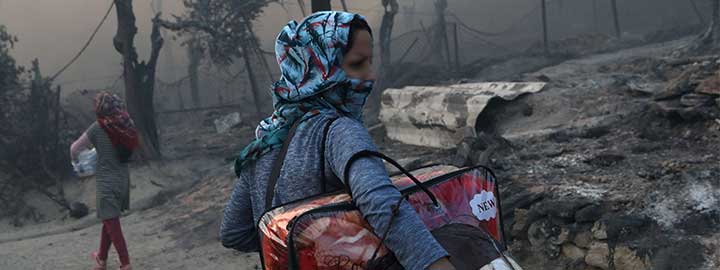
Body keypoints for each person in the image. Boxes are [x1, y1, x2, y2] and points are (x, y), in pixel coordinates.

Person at [219, 11, 455, 270]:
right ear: (322, 71)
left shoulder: (266, 142)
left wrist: (298, 247)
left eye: (369, 62)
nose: (370, 75)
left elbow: (234, 231)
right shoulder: (339, 130)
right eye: (357, 63)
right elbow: (381, 202)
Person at [70, 92, 137, 270]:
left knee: (112, 223)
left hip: (107, 180)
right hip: (123, 179)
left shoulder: (98, 127)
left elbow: (74, 148)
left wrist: (77, 163)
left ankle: (125, 263)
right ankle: (101, 259)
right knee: (109, 219)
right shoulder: (127, 124)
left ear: (100, 108)